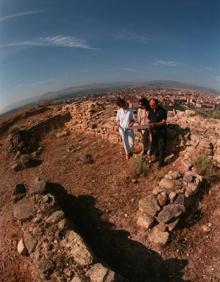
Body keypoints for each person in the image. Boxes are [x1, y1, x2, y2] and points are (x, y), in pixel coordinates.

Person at [148, 98, 167, 167]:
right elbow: (149, 119)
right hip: (153, 131)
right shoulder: (150, 110)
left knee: (161, 147)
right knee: (155, 146)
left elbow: (164, 122)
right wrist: (149, 125)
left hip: (161, 132)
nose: (151, 106)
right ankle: (156, 158)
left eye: (152, 105)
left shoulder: (163, 111)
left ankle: (161, 163)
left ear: (157, 104)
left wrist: (156, 124)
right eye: (150, 105)